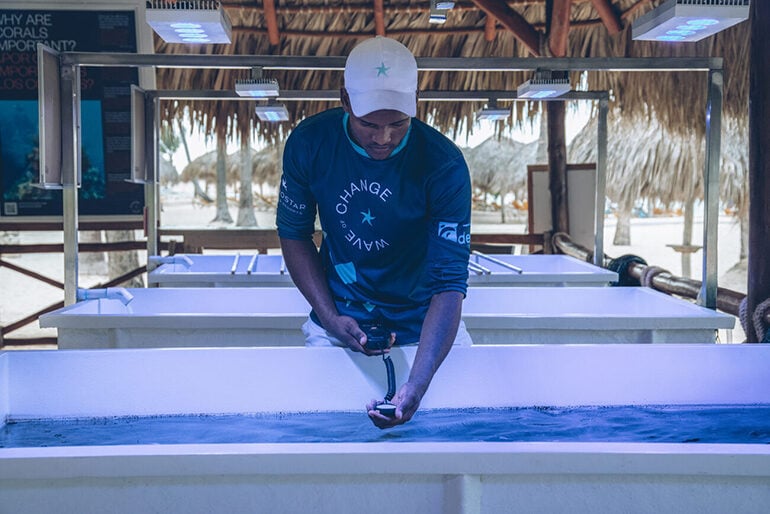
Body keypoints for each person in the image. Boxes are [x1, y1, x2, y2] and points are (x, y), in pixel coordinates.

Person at [276, 36, 472, 429]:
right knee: (325, 441)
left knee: (454, 437)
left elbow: (449, 282)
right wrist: (330, 318)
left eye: (398, 123)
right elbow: (294, 233)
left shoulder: (444, 165)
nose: (383, 138)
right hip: (338, 321)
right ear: (345, 99)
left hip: (423, 328)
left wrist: (418, 382)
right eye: (369, 124)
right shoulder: (310, 143)